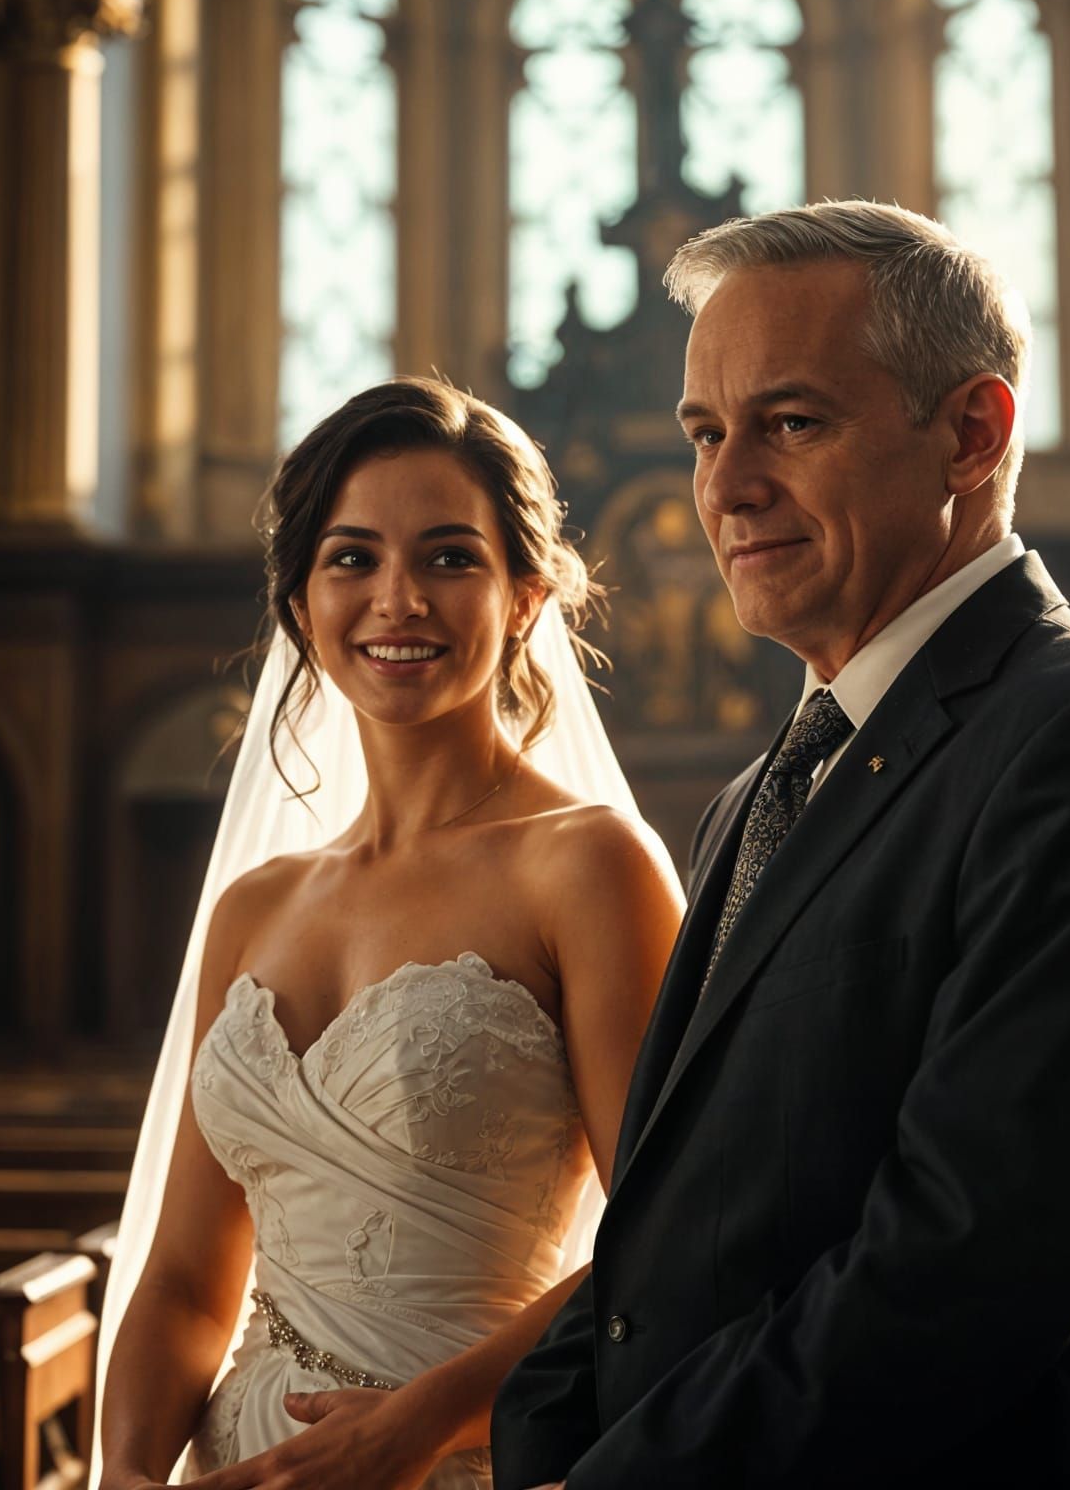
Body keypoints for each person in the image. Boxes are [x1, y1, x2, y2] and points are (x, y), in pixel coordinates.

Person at [490, 201, 1070, 1489]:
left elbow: (959, 1273)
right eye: (705, 432)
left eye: (791, 424)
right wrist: (544, 1444)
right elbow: (672, 1228)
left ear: (972, 432)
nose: (724, 486)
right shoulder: (757, 793)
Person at [95, 378, 684, 1489]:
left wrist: (417, 1427)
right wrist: (128, 1475)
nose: (397, 599)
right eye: (352, 558)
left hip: (459, 1456)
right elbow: (182, 1277)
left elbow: (665, 1237)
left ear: (524, 595)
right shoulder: (253, 906)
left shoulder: (588, 864)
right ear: (301, 604)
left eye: (451, 557)